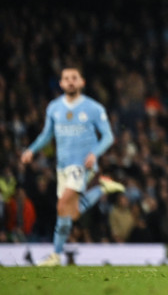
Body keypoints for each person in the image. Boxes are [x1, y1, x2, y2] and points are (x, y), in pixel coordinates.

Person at [20, 67, 125, 266]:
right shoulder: (54, 108)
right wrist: (31, 150)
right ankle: (57, 255)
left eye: (74, 78)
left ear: (82, 82)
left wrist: (95, 153)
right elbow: (46, 134)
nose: (70, 81)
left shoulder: (93, 108)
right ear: (60, 83)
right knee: (70, 215)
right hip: (62, 167)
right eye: (66, 78)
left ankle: (55, 256)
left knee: (63, 205)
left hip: (82, 165)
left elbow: (109, 136)